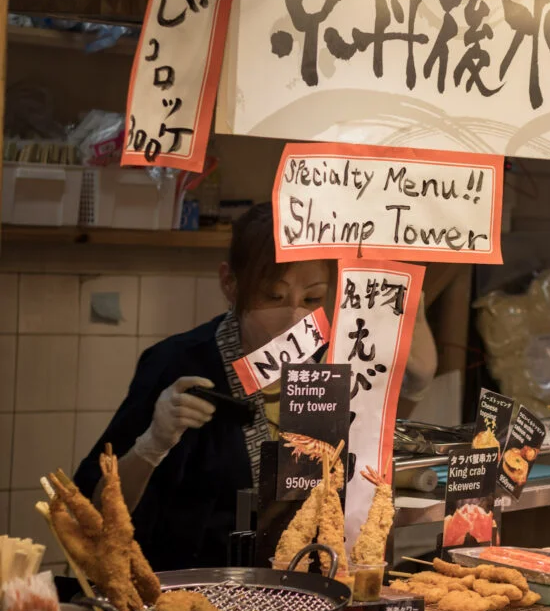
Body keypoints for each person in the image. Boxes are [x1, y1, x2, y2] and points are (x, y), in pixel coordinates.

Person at [74, 203, 437, 571]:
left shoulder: (334, 360)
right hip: (197, 590)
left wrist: (414, 386)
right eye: (273, 297)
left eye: (312, 299)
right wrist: (152, 445)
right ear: (230, 284)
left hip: (310, 583)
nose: (294, 317)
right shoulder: (179, 363)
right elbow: (92, 510)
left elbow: (367, 451)